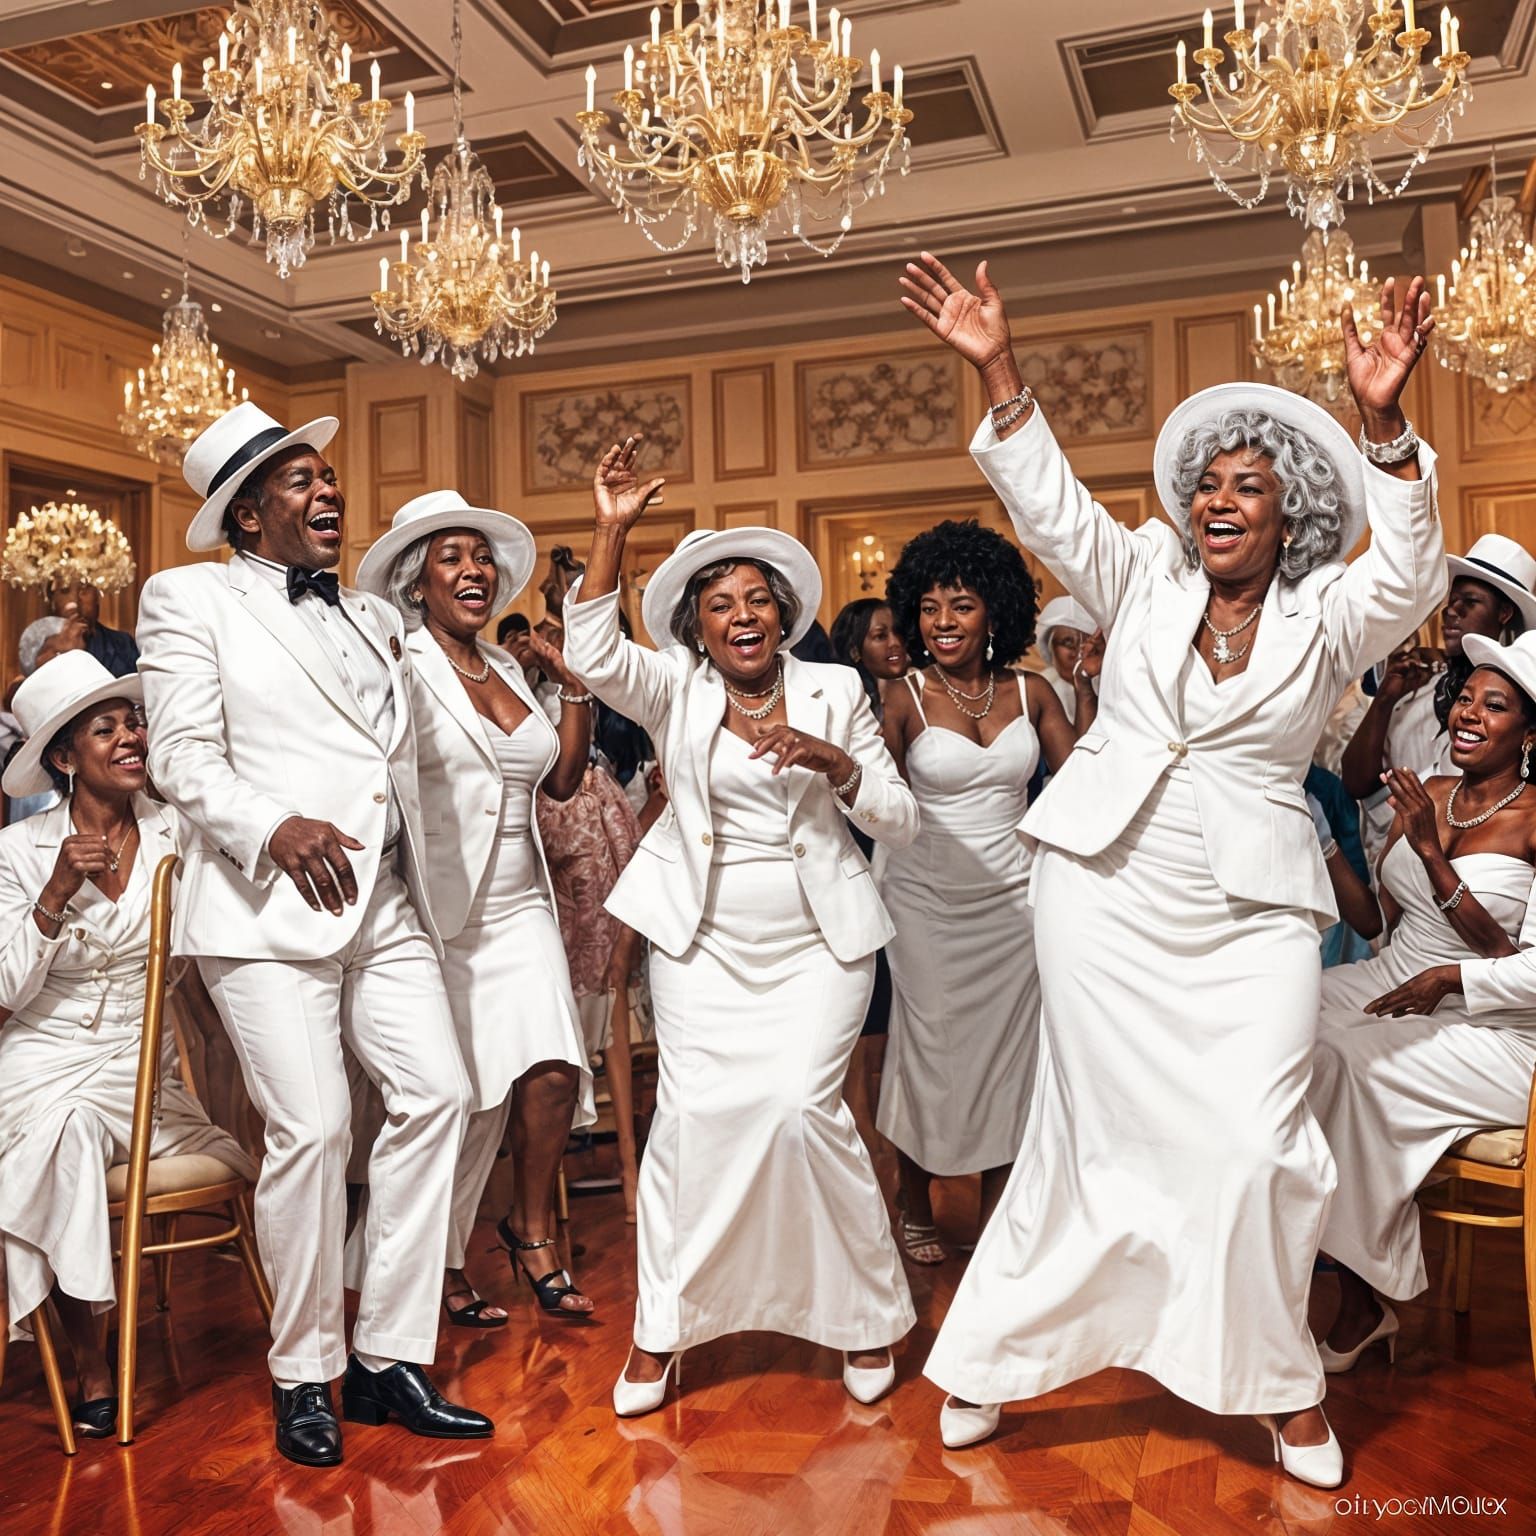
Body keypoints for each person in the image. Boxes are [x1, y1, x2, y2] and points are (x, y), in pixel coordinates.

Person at [899, 250, 1445, 1485]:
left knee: (1254, 1144)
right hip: (1103, 888)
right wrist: (996, 364)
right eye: (1206, 481)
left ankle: (1279, 1386)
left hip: (1252, 911)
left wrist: (1384, 421)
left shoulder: (1328, 618)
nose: (1218, 497)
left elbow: (1411, 569)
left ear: (1288, 513)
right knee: (1085, 1138)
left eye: (1247, 485)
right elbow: (1048, 508)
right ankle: (997, 1356)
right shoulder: (1141, 575)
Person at [135, 401, 488, 1467]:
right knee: (318, 1129)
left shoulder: (373, 617)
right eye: (300, 482)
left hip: (380, 897)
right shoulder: (184, 598)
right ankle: (304, 1373)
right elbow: (183, 757)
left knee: (441, 1095)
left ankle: (387, 1356)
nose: (328, 491)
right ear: (248, 515)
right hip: (262, 907)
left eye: (327, 477)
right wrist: (269, 825)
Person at [564, 438, 919, 1416]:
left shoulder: (836, 692)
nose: (741, 614)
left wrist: (839, 770)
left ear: (785, 614)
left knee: (806, 1114)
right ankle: (660, 1333)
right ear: (697, 630)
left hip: (816, 944)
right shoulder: (674, 689)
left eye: (756, 597)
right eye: (719, 604)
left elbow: (902, 819)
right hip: (702, 945)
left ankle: (862, 1314)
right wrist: (610, 528)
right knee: (690, 1125)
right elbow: (591, 652)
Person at [355, 490, 598, 1328]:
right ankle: (438, 1258)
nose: (474, 571)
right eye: (451, 557)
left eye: (481, 557)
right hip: (433, 908)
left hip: (522, 900)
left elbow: (559, 783)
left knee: (552, 1073)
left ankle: (529, 1230)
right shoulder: (398, 663)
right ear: (416, 581)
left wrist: (572, 693)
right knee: (460, 1096)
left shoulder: (502, 666)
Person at [0, 652, 256, 1437]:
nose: (129, 737)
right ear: (63, 759)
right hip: (42, 1064)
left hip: (147, 1072)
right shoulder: (19, 853)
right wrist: (51, 899)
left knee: (82, 1135)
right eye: (104, 728)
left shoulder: (178, 829)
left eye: (133, 721)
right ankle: (91, 1360)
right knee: (66, 1133)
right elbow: (7, 990)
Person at [1310, 632, 1536, 1376]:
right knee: (1278, 1019)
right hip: (1398, 977)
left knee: (1345, 1061)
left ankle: (1362, 1297)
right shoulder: (1432, 791)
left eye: (1494, 705)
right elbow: (1380, 926)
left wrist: (1434, 858)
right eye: (1466, 697)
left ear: (1529, 734)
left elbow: (1517, 965)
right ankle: (1296, 1244)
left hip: (1497, 1023)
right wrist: (1333, 846)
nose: (1470, 712)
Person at [877, 520, 1094, 1260]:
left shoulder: (1032, 691)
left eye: (961, 605)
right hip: (925, 901)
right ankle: (915, 1198)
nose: (943, 622)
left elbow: (1083, 781)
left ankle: (1003, 1208)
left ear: (994, 611)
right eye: (931, 607)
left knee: (1013, 1057)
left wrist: (1090, 684)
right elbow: (874, 798)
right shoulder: (901, 696)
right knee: (929, 1052)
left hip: (1016, 899)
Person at [1341, 534, 1536, 860]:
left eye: (1470, 602)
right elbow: (1356, 784)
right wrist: (1386, 698)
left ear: (1503, 613)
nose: (1451, 611)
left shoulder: (1523, 707)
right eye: (1451, 600)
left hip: (1475, 884)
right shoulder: (1415, 689)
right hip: (1392, 882)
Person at [48, 580, 139, 677]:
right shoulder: (40, 649)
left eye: (85, 589)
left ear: (97, 595)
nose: (76, 601)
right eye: (65, 590)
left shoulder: (122, 644)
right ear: (53, 601)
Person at [1033, 595, 1102, 723]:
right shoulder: (1040, 693)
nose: (1078, 651)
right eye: (1068, 642)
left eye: (1086, 641)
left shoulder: (1110, 688)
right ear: (1051, 650)